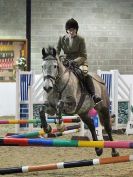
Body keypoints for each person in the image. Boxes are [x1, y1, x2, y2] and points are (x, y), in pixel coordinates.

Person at [56, 18, 102, 105]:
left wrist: (74, 61)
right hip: (66, 61)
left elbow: (84, 55)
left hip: (79, 61)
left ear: (76, 30)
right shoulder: (62, 38)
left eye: (73, 30)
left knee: (84, 73)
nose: (71, 32)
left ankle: (93, 95)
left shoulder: (81, 39)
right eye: (69, 30)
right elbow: (57, 51)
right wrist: (57, 60)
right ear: (67, 30)